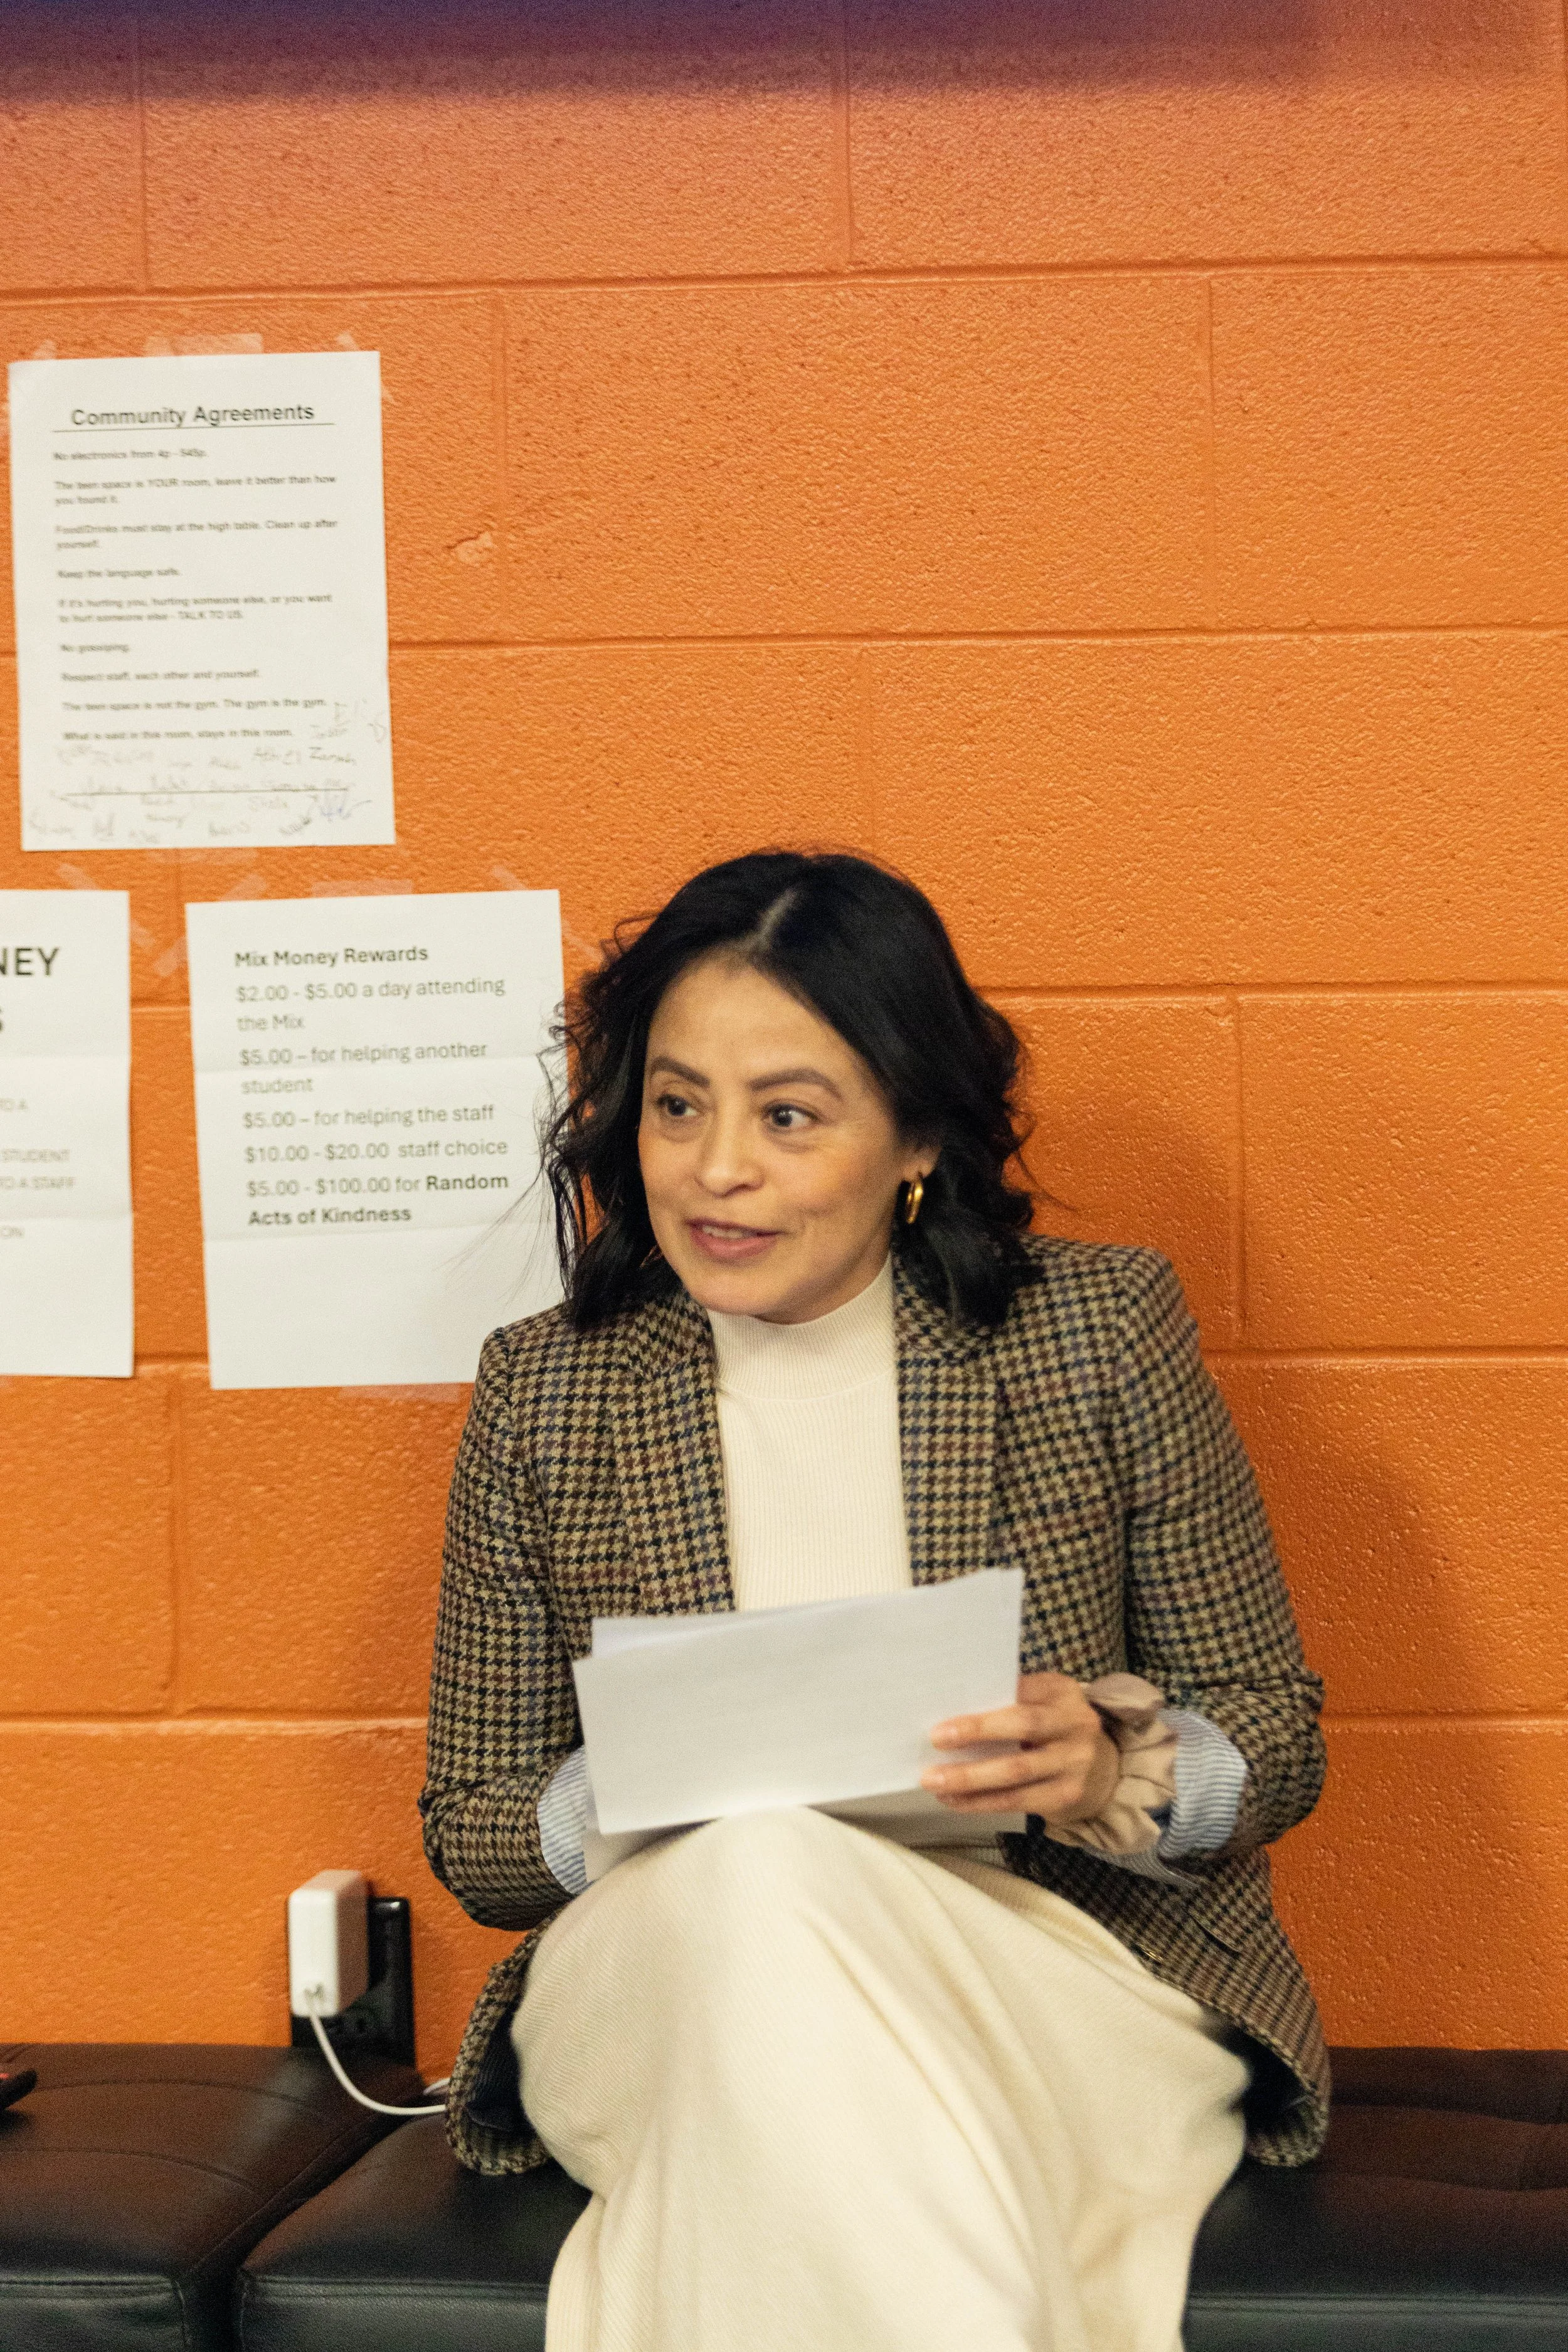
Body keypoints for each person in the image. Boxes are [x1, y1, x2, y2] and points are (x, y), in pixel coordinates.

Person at [421, 849, 1328, 2352]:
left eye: (786, 1115)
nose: (713, 1167)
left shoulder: (1095, 1333)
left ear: (913, 1136)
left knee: (789, 1989)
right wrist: (641, 1787)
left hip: (1043, 1967)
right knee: (756, 1871)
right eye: (673, 1103)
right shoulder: (549, 1389)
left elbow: (1274, 1734)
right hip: (669, 1977)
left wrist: (1114, 1768)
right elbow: (473, 1828)